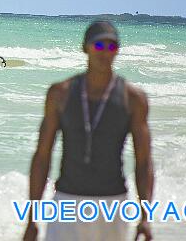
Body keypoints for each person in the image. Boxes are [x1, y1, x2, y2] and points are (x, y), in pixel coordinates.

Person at [23, 21, 153, 241]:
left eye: (111, 47)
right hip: (67, 201)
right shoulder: (60, 94)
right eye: (99, 46)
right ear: (85, 48)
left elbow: (144, 162)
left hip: (113, 203)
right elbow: (42, 157)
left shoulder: (132, 98)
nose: (105, 53)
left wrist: (145, 217)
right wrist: (32, 219)